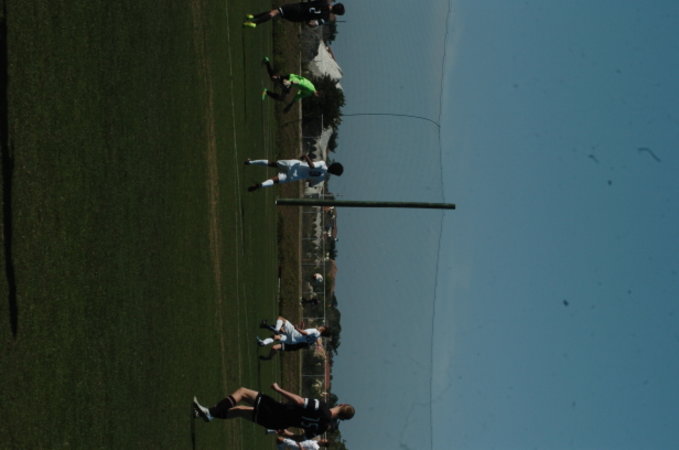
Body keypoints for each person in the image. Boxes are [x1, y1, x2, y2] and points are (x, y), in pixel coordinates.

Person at [192, 383, 355, 440]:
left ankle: (210, 413)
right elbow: (301, 437)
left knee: (243, 392)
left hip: (279, 410)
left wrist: (279, 389)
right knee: (240, 411)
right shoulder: (323, 428)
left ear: (343, 404)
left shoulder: (323, 407)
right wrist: (286, 433)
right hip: (278, 422)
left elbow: (299, 401)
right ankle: (206, 414)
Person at [244, 155, 343, 192]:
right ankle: (260, 185)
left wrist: (306, 156)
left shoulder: (323, 164)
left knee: (272, 164)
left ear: (333, 165)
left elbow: (312, 166)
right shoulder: (323, 178)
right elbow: (311, 184)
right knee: (275, 181)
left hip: (294, 165)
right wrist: (308, 177)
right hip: (294, 176)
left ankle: (250, 162)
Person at [243, 1, 345, 29]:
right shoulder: (325, 18)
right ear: (336, 13)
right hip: (298, 18)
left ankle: (255, 23)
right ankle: (253, 16)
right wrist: (308, 21)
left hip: (298, 8)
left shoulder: (323, 2)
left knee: (275, 12)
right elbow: (312, 24)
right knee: (276, 12)